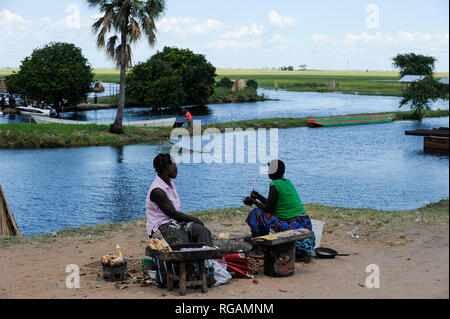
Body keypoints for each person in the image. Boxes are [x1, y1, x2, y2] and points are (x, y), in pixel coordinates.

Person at [242, 159, 315, 259]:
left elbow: (268, 209)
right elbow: (271, 203)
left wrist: (253, 201)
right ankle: (262, 242)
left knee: (255, 213)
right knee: (262, 214)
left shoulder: (274, 185)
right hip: (304, 222)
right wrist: (258, 196)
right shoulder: (287, 182)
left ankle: (259, 249)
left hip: (290, 225)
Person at [146, 153, 213, 246]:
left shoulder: (169, 182)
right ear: (167, 167)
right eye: (175, 165)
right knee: (181, 239)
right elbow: (173, 214)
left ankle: (207, 256)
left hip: (175, 223)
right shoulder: (157, 190)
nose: (176, 168)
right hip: (160, 227)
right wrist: (195, 219)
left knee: (202, 231)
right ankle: (188, 259)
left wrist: (195, 223)